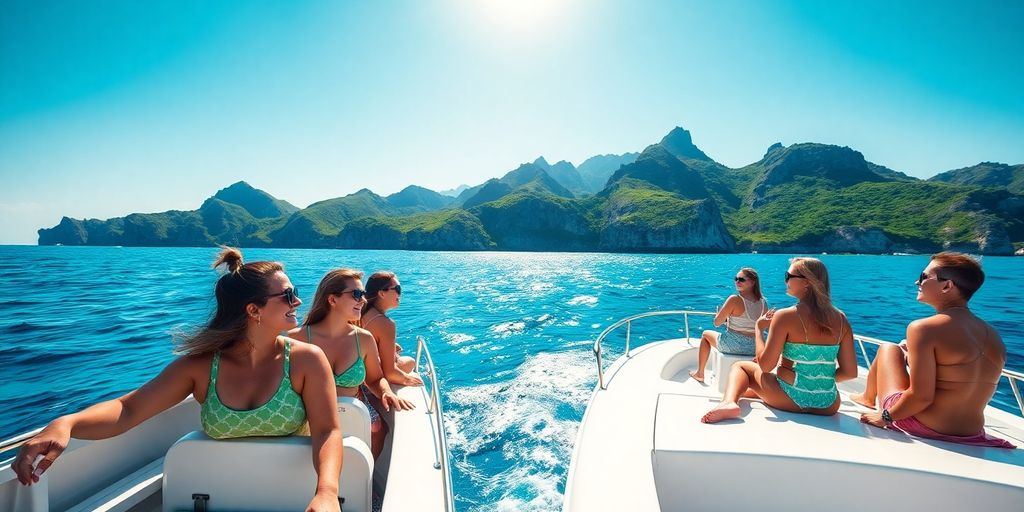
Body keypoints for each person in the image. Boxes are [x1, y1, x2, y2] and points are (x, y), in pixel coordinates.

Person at [13, 248, 343, 511]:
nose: (298, 301)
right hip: (217, 496)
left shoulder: (306, 360)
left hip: (299, 499)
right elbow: (127, 410)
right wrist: (65, 424)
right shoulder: (200, 367)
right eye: (288, 295)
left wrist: (327, 492)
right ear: (253, 310)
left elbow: (328, 431)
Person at [856, 253, 1015, 448]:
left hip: (924, 425)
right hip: (971, 432)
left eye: (924, 276)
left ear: (947, 286)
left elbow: (921, 396)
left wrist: (885, 417)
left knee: (889, 349)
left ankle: (867, 398)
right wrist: (912, 356)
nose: (917, 281)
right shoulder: (993, 335)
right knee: (904, 352)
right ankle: (868, 396)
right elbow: (957, 372)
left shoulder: (923, 328)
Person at [702, 257, 857, 423]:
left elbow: (766, 366)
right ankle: (738, 396)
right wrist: (815, 381)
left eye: (789, 276)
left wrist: (759, 329)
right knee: (750, 389)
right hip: (828, 404)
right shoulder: (841, 319)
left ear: (807, 282)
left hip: (790, 399)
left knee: (741, 368)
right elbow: (850, 372)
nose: (786, 281)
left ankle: (728, 403)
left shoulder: (785, 316)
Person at [288, 269, 415, 458]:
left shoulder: (363, 339)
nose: (363, 300)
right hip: (309, 415)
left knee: (379, 428)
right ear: (332, 300)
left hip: (352, 409)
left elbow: (376, 378)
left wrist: (386, 391)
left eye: (363, 294)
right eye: (356, 294)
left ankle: (366, 482)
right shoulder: (295, 338)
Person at [690, 267, 769, 382]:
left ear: (752, 282)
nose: (737, 281)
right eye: (736, 279)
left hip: (734, 345)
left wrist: (720, 314)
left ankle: (700, 373)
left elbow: (717, 323)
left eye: (741, 279)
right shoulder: (763, 302)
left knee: (705, 335)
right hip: (755, 347)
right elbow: (762, 326)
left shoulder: (734, 299)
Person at [361, 272, 422, 386]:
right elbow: (390, 374)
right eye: (397, 289)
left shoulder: (362, 311)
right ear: (382, 293)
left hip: (359, 370)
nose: (400, 294)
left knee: (396, 350)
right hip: (368, 377)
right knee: (410, 362)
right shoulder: (385, 324)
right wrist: (407, 378)